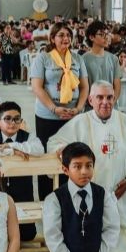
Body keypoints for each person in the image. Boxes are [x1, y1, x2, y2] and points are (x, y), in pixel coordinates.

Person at [48, 81, 126, 252]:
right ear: (90, 100)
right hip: (89, 191)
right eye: (100, 97)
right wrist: (65, 151)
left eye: (110, 97)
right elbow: (55, 143)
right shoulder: (80, 122)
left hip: (118, 191)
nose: (105, 102)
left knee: (124, 248)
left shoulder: (124, 121)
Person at [43, 142, 120, 252]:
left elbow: (111, 231)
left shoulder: (104, 195)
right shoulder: (54, 199)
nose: (84, 171)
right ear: (65, 169)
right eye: (77, 166)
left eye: (89, 165)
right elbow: (53, 239)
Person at [30, 23, 89, 201]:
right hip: (48, 115)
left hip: (72, 116)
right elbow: (37, 87)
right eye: (61, 35)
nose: (65, 39)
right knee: (48, 155)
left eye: (68, 35)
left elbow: (85, 86)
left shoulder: (78, 59)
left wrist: (78, 108)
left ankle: (68, 195)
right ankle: (47, 198)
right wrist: (54, 108)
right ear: (52, 38)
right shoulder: (43, 58)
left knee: (71, 155)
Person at [0, 101, 44, 241]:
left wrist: (11, 145)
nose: (12, 123)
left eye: (16, 119)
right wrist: (12, 152)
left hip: (23, 191)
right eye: (7, 119)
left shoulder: (28, 137)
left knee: (26, 235)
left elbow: (39, 149)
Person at [81, 21, 122, 103]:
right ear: (91, 37)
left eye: (107, 34)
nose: (106, 37)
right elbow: (83, 87)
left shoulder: (113, 59)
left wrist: (111, 103)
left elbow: (117, 86)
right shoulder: (83, 60)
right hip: (91, 106)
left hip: (110, 105)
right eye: (102, 34)